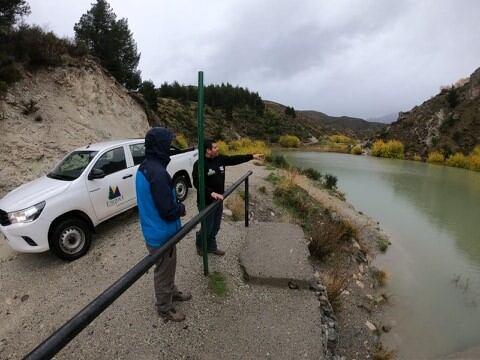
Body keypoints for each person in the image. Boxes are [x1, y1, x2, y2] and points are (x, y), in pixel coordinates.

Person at [136, 127, 192, 322]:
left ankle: (172, 292)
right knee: (163, 271)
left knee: (168, 268)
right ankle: (164, 308)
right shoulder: (158, 173)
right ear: (160, 146)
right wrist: (181, 209)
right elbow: (167, 211)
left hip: (154, 231)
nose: (170, 148)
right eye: (167, 144)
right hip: (162, 234)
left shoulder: (145, 166)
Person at [192, 139, 264, 256]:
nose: (218, 149)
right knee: (207, 228)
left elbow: (234, 159)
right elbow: (197, 183)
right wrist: (211, 193)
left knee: (216, 226)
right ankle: (200, 243)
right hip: (206, 202)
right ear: (208, 150)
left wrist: (252, 156)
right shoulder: (199, 164)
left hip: (218, 201)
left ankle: (211, 246)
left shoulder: (220, 159)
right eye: (215, 147)